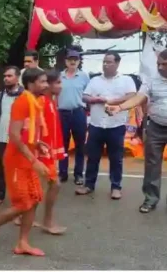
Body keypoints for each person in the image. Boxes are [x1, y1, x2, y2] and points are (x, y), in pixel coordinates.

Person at [0, 68, 50, 256]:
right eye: (42, 82)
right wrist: (34, 160)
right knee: (23, 204)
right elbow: (14, 136)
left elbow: (27, 132)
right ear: (31, 84)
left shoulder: (35, 101)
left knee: (34, 200)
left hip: (27, 158)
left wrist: (37, 144)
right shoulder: (22, 102)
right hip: (17, 160)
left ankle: (22, 243)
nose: (46, 85)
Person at [106, 49, 167, 213]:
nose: (160, 67)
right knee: (152, 165)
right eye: (158, 64)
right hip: (155, 126)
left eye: (164, 64)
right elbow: (138, 98)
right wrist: (119, 107)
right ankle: (150, 199)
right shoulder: (151, 80)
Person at [76, 52, 136, 199]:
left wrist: (112, 101)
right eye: (104, 62)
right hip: (96, 125)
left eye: (109, 62)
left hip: (116, 125)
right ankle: (89, 185)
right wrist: (97, 99)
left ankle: (116, 187)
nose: (105, 64)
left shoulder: (126, 80)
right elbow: (85, 96)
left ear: (117, 63)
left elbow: (132, 96)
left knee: (116, 158)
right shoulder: (95, 80)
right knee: (92, 157)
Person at [33, 69, 67, 235]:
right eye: (59, 82)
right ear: (49, 84)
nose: (61, 86)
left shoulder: (51, 102)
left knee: (37, 185)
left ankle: (22, 216)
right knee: (55, 184)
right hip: (41, 153)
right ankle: (46, 222)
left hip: (47, 152)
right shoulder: (41, 103)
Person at [0, 66, 24, 207]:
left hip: (18, 139)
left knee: (19, 170)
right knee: (1, 169)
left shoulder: (24, 95)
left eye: (9, 76)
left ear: (17, 78)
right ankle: (0, 196)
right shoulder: (1, 95)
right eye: (5, 76)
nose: (6, 78)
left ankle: (19, 200)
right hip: (2, 138)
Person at [57, 50, 90, 185]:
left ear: (79, 61)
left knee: (80, 146)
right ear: (66, 61)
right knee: (62, 145)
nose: (73, 62)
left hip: (78, 113)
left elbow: (89, 94)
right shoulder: (59, 76)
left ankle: (78, 174)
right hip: (62, 114)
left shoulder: (84, 76)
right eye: (70, 59)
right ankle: (62, 173)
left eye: (75, 59)